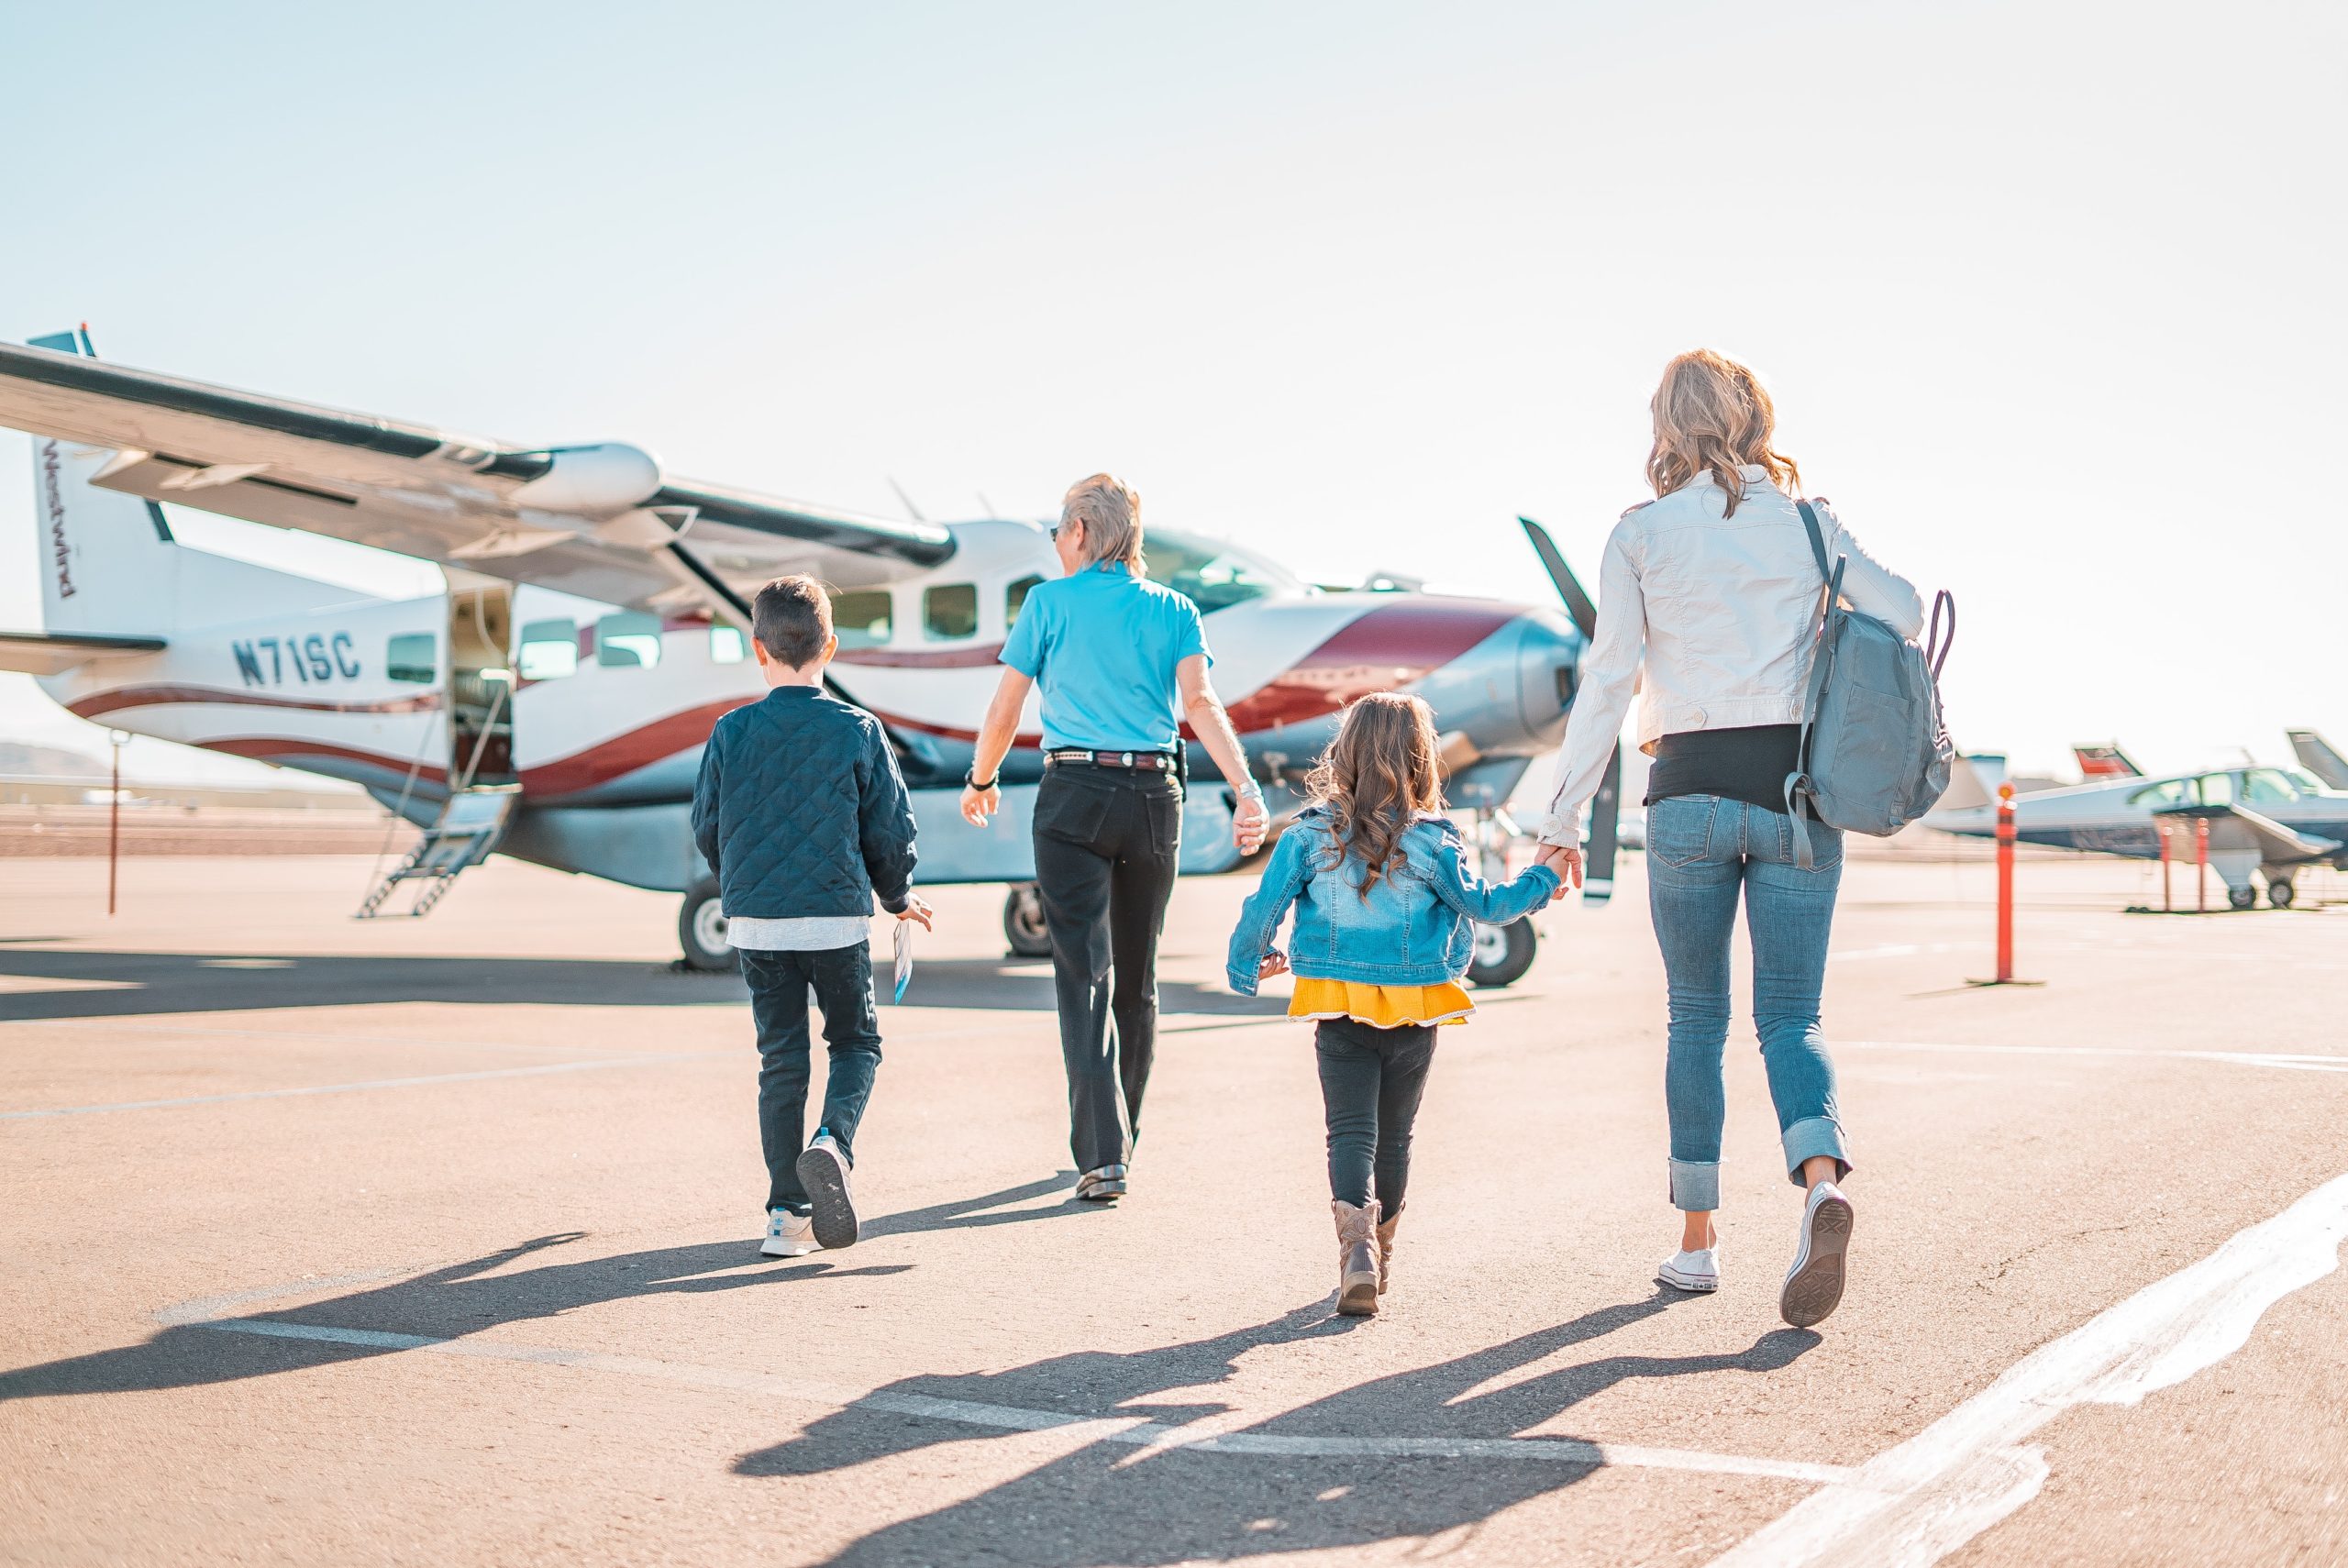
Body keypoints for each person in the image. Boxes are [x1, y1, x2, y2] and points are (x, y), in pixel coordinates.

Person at [1535, 349, 1923, 1328]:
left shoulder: (1638, 535)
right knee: (1790, 1016)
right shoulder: (1806, 521)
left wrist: (1562, 818)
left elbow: (1608, 679)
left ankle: (1695, 1245)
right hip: (1797, 796)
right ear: (1754, 420)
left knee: (1694, 1020)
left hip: (1686, 797)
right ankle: (1820, 1184)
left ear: (1666, 429)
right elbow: (1908, 614)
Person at [961, 474, 1268, 1202]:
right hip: (1156, 796)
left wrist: (982, 779)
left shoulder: (1048, 603)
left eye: (1058, 535)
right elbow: (1200, 702)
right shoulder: (1175, 609)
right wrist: (1247, 789)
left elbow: (1007, 706)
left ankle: (1104, 1153)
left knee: (1085, 974)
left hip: (1073, 797)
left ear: (1079, 533)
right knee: (1138, 978)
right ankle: (1123, 1135)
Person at [1226, 693, 1560, 1316]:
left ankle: (1356, 1253)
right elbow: (1485, 905)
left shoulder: (1306, 834)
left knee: (1350, 1131)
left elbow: (1261, 907)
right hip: (1415, 1006)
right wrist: (1542, 879)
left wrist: (1251, 964)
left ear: (1344, 753)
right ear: (1421, 759)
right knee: (1396, 1139)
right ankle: (1382, 1259)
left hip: (1337, 1004)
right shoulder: (1433, 839)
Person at [692, 575, 934, 1259]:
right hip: (834, 919)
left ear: (757, 649)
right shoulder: (857, 728)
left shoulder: (729, 732)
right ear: (830, 644)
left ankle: (784, 1215)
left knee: (781, 1059)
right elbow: (888, 829)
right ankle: (832, 1142)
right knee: (855, 1043)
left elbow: (707, 825)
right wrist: (898, 898)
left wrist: (742, 887)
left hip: (756, 923)